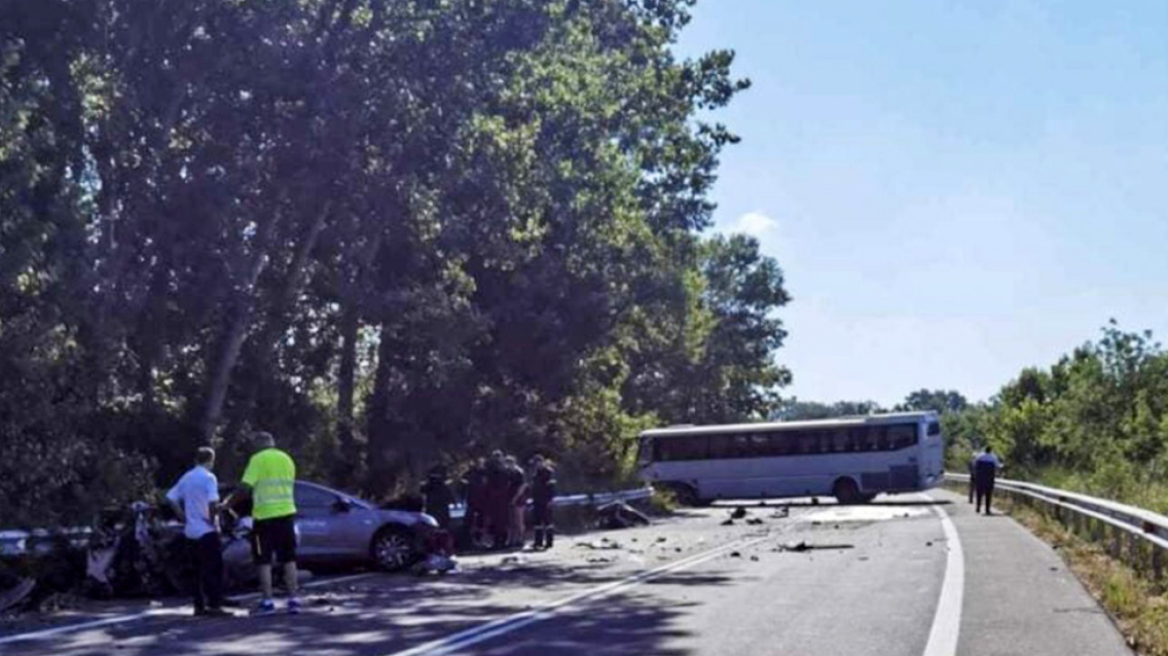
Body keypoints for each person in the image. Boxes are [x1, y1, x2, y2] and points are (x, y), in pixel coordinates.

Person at [227, 432, 300, 615]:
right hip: (286, 515)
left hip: (264, 518)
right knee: (289, 559)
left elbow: (245, 487)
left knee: (263, 560)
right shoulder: (287, 459)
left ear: (259, 444)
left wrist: (227, 503)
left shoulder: (257, 459)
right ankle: (293, 600)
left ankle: (267, 602)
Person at [166, 447, 230, 617]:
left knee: (196, 570)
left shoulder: (187, 477)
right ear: (211, 460)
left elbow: (170, 497)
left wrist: (181, 515)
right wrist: (213, 520)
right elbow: (213, 502)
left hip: (190, 530)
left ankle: (199, 605)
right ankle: (215, 604)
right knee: (213, 569)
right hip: (206, 529)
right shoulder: (209, 478)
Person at [530, 455, 557, 550]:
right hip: (537, 500)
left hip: (546, 500)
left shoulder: (548, 472)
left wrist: (551, 500)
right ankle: (538, 542)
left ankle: (549, 542)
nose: (536, 465)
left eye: (537, 462)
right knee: (537, 522)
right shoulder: (536, 473)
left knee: (548, 522)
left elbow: (551, 488)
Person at [461, 457, 489, 549]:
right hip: (471, 501)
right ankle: (469, 541)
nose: (480, 465)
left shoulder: (485, 473)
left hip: (483, 501)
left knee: (481, 521)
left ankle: (479, 540)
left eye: (481, 463)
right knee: (469, 521)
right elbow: (463, 484)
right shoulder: (469, 474)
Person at [485, 451, 511, 549]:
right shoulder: (497, 470)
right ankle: (499, 541)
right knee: (498, 521)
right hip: (497, 499)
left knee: (499, 521)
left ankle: (500, 542)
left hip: (499, 498)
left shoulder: (501, 470)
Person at [421, 465, 455, 530]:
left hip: (432, 509)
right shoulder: (443, 487)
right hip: (440, 510)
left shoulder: (428, 486)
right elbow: (450, 497)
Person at [505, 456, 528, 548]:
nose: (508, 465)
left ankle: (521, 539)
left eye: (509, 463)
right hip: (509, 499)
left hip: (519, 500)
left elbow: (523, 486)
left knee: (519, 521)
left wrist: (515, 498)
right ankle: (512, 540)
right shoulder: (508, 473)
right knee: (511, 522)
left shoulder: (519, 472)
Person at [974, 446, 1004, 515]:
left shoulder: (979, 456)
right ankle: (987, 509)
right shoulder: (993, 457)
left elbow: (975, 464)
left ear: (984, 450)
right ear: (990, 451)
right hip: (989, 478)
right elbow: (998, 465)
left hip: (980, 477)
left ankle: (978, 507)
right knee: (988, 494)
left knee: (979, 493)